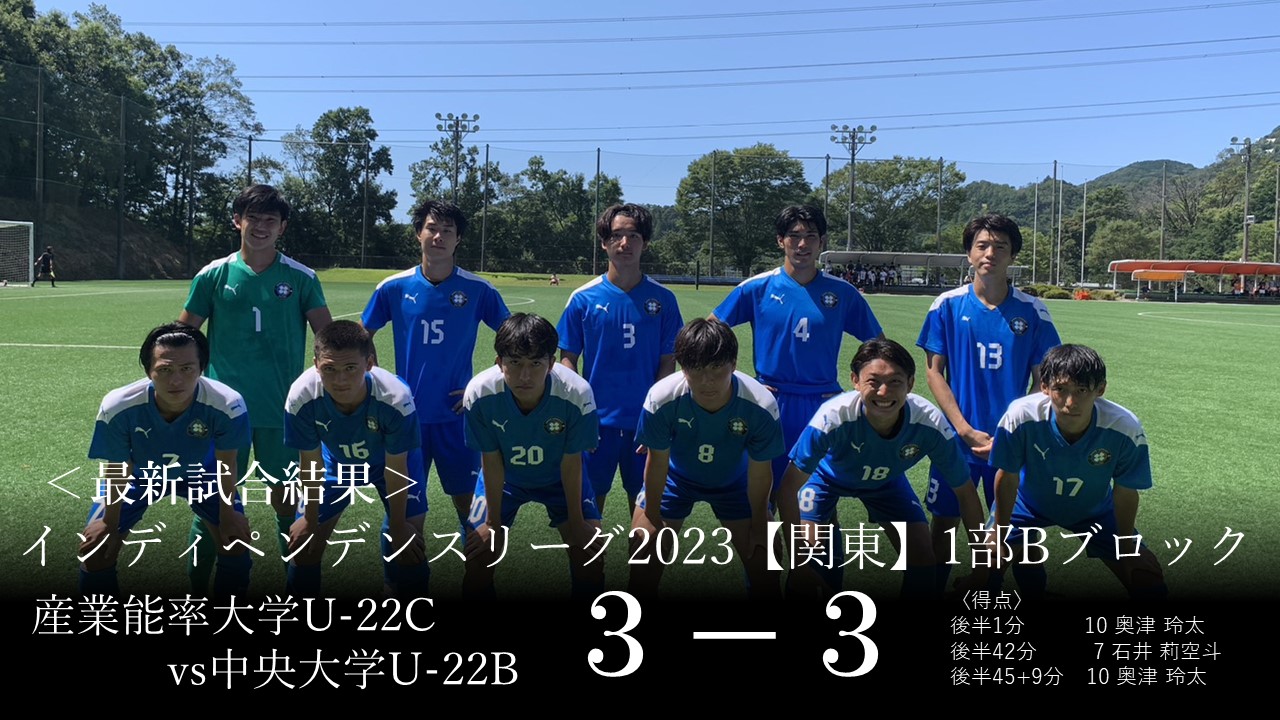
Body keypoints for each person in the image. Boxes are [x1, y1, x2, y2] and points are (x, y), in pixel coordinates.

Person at [179, 184, 333, 590]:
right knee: (213, 506)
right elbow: (182, 337)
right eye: (253, 218)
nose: (261, 226)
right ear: (237, 221)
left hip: (281, 411)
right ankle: (197, 592)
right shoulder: (213, 275)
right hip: (220, 414)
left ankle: (298, 591)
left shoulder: (301, 277)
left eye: (270, 220)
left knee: (287, 502)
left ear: (282, 227)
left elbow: (328, 339)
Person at [916, 213, 1059, 592]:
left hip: (1013, 444)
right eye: (982, 245)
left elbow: (1044, 380)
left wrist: (1012, 431)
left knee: (1021, 534)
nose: (990, 253)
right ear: (969, 253)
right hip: (957, 441)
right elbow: (934, 373)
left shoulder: (1033, 310)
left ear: (1013, 255)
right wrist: (964, 429)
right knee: (944, 526)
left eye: (1000, 246)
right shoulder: (946, 305)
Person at [779, 338, 986, 599]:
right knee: (812, 556)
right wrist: (798, 565)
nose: (884, 392)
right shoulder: (832, 416)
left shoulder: (930, 423)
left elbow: (966, 493)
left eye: (895, 381)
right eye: (873, 381)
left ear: (911, 383)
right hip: (825, 479)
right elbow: (787, 489)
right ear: (855, 381)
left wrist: (981, 569)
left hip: (886, 482)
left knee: (922, 555)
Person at [712, 205, 883, 492]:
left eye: (811, 236)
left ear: (822, 241)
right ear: (781, 240)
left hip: (823, 403)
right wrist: (738, 382)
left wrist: (860, 386)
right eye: (794, 236)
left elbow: (879, 348)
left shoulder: (843, 292)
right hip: (769, 401)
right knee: (761, 494)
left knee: (817, 498)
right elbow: (707, 336)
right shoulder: (757, 287)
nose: (802, 244)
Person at [362, 199, 509, 526]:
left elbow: (516, 339)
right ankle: (400, 562)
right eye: (432, 228)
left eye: (448, 230)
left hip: (456, 415)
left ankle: (475, 560)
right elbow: (362, 336)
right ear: (418, 233)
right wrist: (377, 382)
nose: (439, 236)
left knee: (470, 506)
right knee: (403, 508)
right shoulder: (393, 287)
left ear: (458, 239)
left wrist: (481, 386)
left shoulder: (478, 289)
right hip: (406, 414)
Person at [80, 323, 252, 600]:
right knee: (96, 549)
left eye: (187, 369)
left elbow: (226, 463)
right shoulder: (118, 406)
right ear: (148, 370)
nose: (176, 380)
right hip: (139, 475)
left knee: (236, 542)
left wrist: (228, 515)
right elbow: (119, 466)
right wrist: (109, 523)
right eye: (165, 370)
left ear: (202, 368)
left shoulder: (227, 404)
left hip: (202, 472)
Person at [983, 344, 1166, 600]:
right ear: (1044, 387)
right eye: (1060, 389)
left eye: (1082, 390)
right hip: (1026, 506)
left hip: (1095, 511)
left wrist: (1126, 549)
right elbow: (1008, 477)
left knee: (1147, 580)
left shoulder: (1124, 427)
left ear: (1100, 389)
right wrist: (998, 535)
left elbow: (1125, 492)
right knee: (983, 574)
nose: (1071, 402)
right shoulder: (1020, 415)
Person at [629, 318, 784, 599]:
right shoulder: (661, 398)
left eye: (716, 368)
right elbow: (658, 462)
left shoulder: (760, 404)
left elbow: (761, 473)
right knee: (643, 546)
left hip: (736, 483)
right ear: (682, 366)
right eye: (697, 369)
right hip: (676, 480)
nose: (707, 380)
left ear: (733, 364)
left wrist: (761, 523)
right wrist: (651, 515)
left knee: (767, 556)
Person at [283, 321, 430, 598]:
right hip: (335, 463)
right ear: (316, 365)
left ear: (369, 363)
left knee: (409, 545)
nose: (340, 380)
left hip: (391, 463)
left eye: (350, 368)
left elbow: (396, 468)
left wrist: (399, 525)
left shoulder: (395, 398)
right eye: (329, 369)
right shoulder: (301, 396)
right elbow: (310, 462)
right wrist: (310, 520)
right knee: (305, 549)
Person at [462, 313, 603, 599]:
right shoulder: (479, 393)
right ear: (499, 362)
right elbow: (491, 460)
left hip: (560, 479)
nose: (525, 376)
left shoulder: (577, 393)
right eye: (515, 363)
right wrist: (492, 524)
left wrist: (578, 524)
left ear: (551, 363)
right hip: (505, 479)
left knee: (589, 556)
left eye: (535, 364)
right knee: (478, 558)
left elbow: (572, 462)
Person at [557, 203, 683, 517]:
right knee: (587, 514)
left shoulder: (664, 300)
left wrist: (657, 417)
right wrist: (581, 413)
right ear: (604, 242)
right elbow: (567, 360)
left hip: (644, 422)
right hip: (596, 423)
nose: (624, 243)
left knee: (647, 516)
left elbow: (668, 363)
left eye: (634, 236)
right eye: (616, 236)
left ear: (645, 242)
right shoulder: (583, 298)